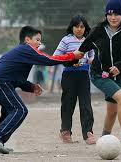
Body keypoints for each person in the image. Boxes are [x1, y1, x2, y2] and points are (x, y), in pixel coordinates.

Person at [0, 26, 83, 154]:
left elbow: (18, 79)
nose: (39, 43)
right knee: (20, 110)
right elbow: (49, 60)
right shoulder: (26, 49)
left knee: (9, 111)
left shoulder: (22, 52)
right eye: (37, 39)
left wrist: (31, 87)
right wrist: (72, 55)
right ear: (27, 39)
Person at [76, 0, 121, 151]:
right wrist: (68, 59)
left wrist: (120, 66)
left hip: (117, 76)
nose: (113, 17)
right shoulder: (98, 30)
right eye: (110, 14)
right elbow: (82, 50)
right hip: (99, 75)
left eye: (117, 14)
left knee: (112, 111)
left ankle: (104, 141)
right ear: (106, 15)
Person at [53, 15, 96, 145]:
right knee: (68, 104)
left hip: (83, 76)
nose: (79, 29)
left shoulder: (88, 41)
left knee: (86, 105)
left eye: (82, 27)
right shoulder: (66, 40)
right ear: (72, 27)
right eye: (76, 26)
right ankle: (65, 131)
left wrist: (91, 61)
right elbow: (56, 56)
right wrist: (71, 60)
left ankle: (88, 133)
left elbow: (91, 58)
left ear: (85, 28)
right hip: (69, 76)